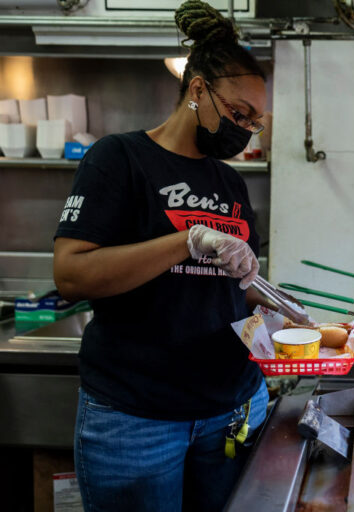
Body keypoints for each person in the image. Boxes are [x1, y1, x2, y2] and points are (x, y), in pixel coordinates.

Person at [53, 1, 272, 510]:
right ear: (198, 89)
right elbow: (71, 274)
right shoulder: (119, 159)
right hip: (139, 422)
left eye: (254, 122)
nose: (243, 129)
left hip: (233, 412)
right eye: (238, 113)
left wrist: (271, 309)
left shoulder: (230, 182)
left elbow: (228, 289)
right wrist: (186, 239)